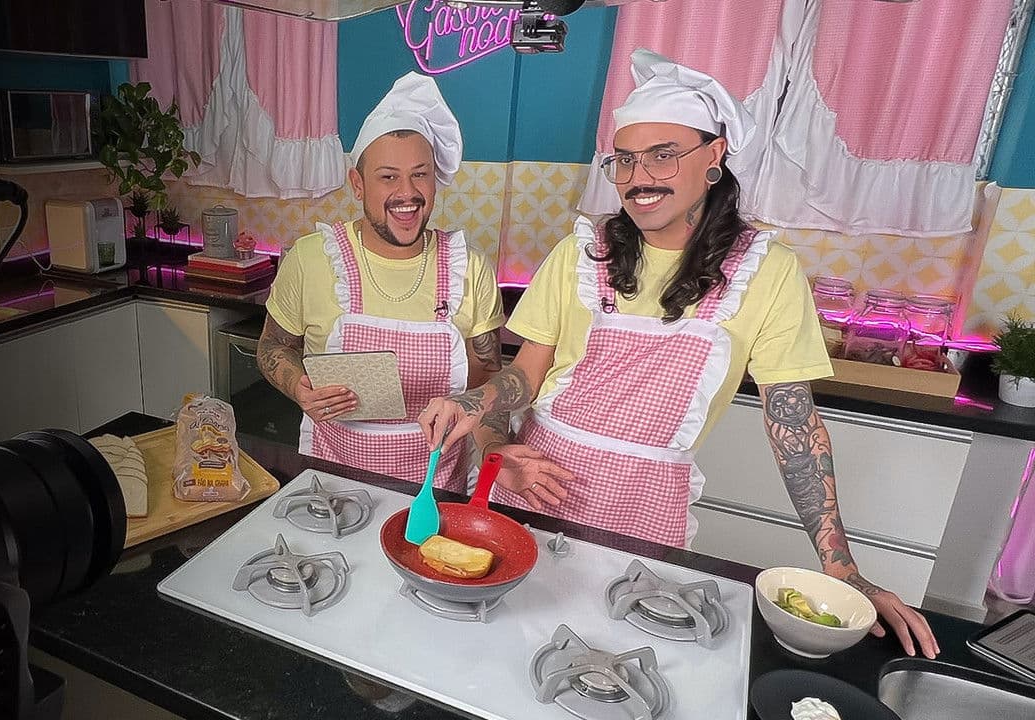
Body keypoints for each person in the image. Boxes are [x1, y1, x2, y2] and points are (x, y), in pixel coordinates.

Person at [418, 50, 938, 658]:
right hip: (536, 483)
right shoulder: (581, 253)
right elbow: (526, 374)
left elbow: (794, 425)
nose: (639, 178)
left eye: (663, 154)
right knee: (498, 641)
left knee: (616, 654)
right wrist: (476, 402)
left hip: (646, 504)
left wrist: (842, 569)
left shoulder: (766, 273)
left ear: (715, 155)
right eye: (625, 159)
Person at [258, 72, 505, 491]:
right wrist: (299, 386)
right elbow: (272, 347)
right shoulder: (311, 259)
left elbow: (487, 386)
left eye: (420, 174)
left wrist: (496, 453)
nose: (407, 193)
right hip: (333, 483)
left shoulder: (470, 268)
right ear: (358, 184)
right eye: (388, 176)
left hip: (435, 487)